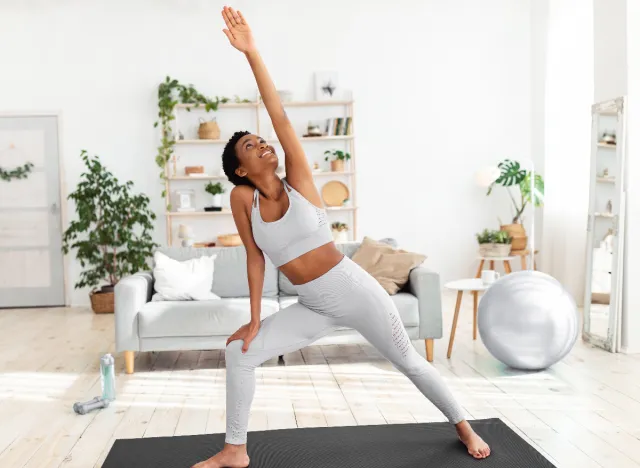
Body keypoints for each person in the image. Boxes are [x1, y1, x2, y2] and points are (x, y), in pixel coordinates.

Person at [193, 7, 491, 468]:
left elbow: (279, 114)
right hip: (312, 304)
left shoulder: (302, 184)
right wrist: (254, 321)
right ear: (240, 170)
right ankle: (235, 450)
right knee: (239, 352)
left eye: (262, 140)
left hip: (353, 291)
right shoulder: (241, 199)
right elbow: (254, 258)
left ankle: (464, 426)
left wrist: (252, 53)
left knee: (409, 362)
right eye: (251, 146)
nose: (263, 144)